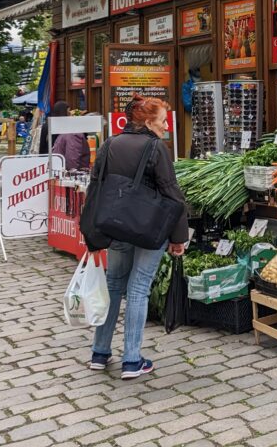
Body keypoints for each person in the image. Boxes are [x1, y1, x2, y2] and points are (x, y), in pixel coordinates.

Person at [82, 95, 188, 379]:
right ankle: (132, 359)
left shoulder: (110, 144)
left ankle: (100, 352)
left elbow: (95, 189)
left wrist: (92, 234)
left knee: (114, 285)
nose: (167, 127)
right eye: (163, 121)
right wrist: (179, 237)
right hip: (149, 229)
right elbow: (171, 194)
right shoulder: (156, 148)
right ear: (148, 121)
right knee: (139, 288)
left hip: (116, 226)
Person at [50, 101, 90, 171]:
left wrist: (69, 175)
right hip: (63, 173)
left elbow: (72, 159)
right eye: (69, 113)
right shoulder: (69, 131)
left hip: (68, 175)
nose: (71, 115)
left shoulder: (72, 132)